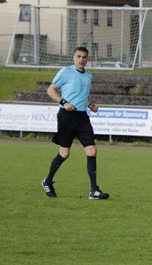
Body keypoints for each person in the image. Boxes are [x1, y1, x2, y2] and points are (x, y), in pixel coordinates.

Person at [41, 47, 108, 200]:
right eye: (78, 56)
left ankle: (94, 191)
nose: (81, 60)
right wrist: (63, 102)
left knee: (92, 151)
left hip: (82, 117)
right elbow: (51, 90)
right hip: (67, 116)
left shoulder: (88, 75)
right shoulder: (65, 72)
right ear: (74, 57)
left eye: (84, 57)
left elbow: (84, 95)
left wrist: (90, 104)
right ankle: (48, 181)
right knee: (64, 153)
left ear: (87, 59)